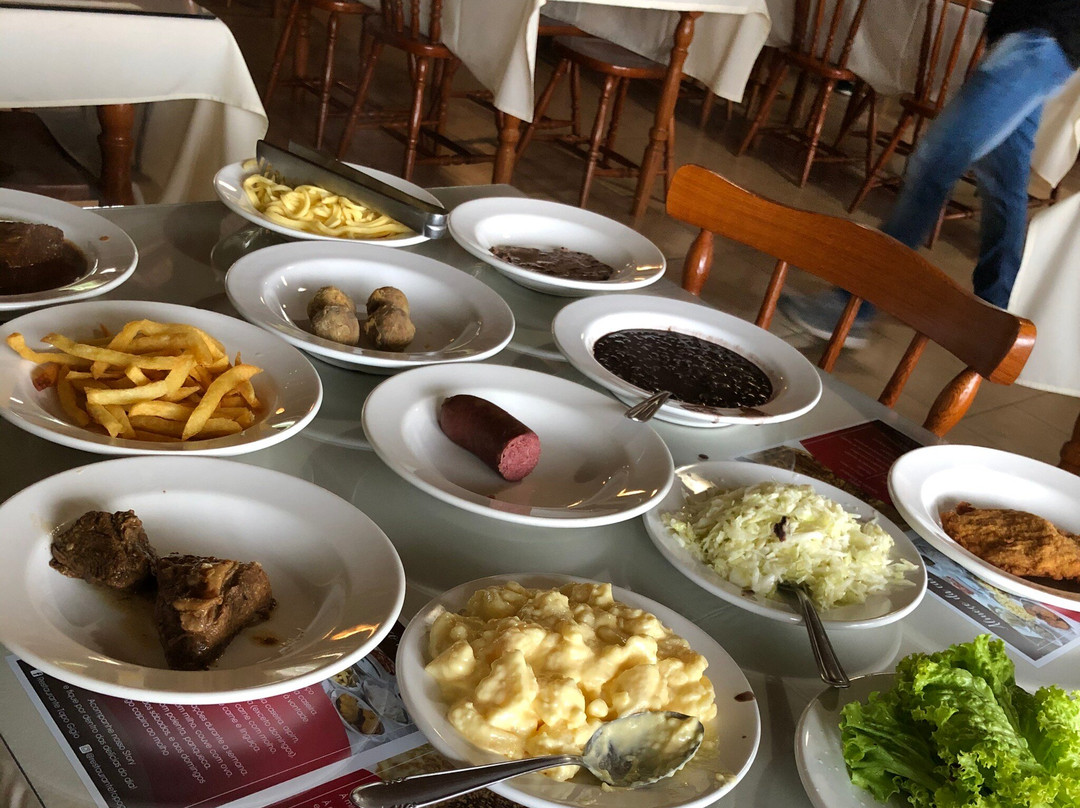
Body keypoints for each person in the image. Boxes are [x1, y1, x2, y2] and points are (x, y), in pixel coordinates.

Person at [781, 0, 1080, 345]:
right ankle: (997, 316)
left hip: (1041, 38)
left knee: (934, 164)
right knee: (1003, 183)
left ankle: (852, 308)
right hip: (1035, 37)